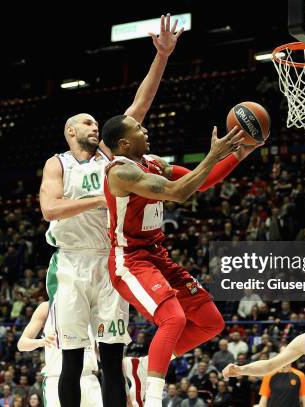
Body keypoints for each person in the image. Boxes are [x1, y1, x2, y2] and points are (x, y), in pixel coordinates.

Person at [37, 13, 184, 407]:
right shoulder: (58, 163)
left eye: (95, 123)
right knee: (70, 360)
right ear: (70, 132)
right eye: (86, 123)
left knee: (111, 359)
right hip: (70, 264)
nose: (94, 126)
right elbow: (49, 209)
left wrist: (163, 56)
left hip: (111, 261)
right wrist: (100, 199)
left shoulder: (111, 159)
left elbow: (142, 100)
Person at [102, 111, 259, 407]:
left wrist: (240, 153)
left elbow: (201, 182)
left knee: (211, 322)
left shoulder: (153, 164)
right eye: (138, 128)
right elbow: (177, 193)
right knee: (173, 318)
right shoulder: (120, 173)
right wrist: (212, 154)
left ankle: (144, 366)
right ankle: (152, 400)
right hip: (130, 261)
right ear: (123, 143)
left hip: (157, 257)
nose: (145, 129)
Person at [17, 301, 102, 407]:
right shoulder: (47, 307)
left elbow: (98, 349)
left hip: (88, 378)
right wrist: (41, 342)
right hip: (56, 379)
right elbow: (22, 344)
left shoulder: (91, 305)